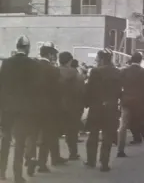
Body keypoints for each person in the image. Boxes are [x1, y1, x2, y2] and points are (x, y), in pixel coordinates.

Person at [0, 36, 39, 183]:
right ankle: (17, 175)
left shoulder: (6, 63)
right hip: (24, 109)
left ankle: (1, 171)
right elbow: (35, 88)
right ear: (27, 48)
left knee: (5, 139)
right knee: (20, 142)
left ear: (17, 47)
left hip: (7, 108)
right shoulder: (32, 64)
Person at [27, 42, 66, 176]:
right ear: (49, 54)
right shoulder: (53, 70)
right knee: (46, 137)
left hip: (32, 107)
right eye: (53, 54)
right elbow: (58, 91)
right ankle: (42, 164)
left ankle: (31, 158)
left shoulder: (31, 67)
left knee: (32, 135)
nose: (54, 57)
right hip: (49, 109)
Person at [84, 49, 122, 172]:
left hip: (96, 107)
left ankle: (91, 160)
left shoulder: (95, 71)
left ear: (101, 59)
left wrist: (86, 103)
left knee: (93, 134)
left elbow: (90, 89)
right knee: (107, 135)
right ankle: (104, 162)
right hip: (111, 107)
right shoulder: (117, 72)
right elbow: (119, 91)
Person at [117, 52, 144, 157]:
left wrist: (121, 97)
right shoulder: (143, 72)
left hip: (126, 100)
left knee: (123, 126)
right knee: (142, 123)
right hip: (139, 101)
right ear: (140, 60)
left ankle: (120, 150)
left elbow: (119, 85)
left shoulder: (124, 71)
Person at [57, 51, 85, 161]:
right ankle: (73, 153)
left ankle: (55, 155)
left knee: (54, 131)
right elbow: (81, 89)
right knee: (72, 131)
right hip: (73, 106)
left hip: (57, 105)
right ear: (69, 61)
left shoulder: (55, 71)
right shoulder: (74, 73)